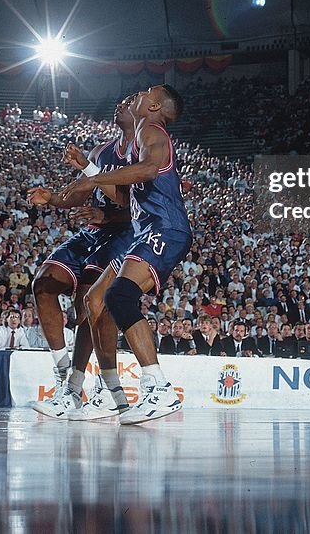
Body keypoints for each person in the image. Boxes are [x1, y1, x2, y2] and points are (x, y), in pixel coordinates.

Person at [54, 85, 191, 425]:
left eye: (146, 92)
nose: (139, 94)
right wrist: (90, 176)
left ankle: (158, 388)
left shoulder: (152, 130)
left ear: (155, 104)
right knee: (96, 299)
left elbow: (148, 170)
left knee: (121, 295)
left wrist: (93, 177)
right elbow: (122, 199)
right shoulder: (135, 141)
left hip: (166, 228)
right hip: (146, 231)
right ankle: (111, 395)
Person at [25, 100, 136, 418]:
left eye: (128, 102)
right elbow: (81, 189)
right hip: (93, 231)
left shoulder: (146, 153)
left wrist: (107, 214)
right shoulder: (102, 151)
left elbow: (142, 204)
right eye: (119, 102)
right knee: (44, 283)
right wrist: (54, 198)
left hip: (125, 234)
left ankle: (98, 388)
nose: (120, 105)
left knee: (91, 301)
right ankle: (66, 379)